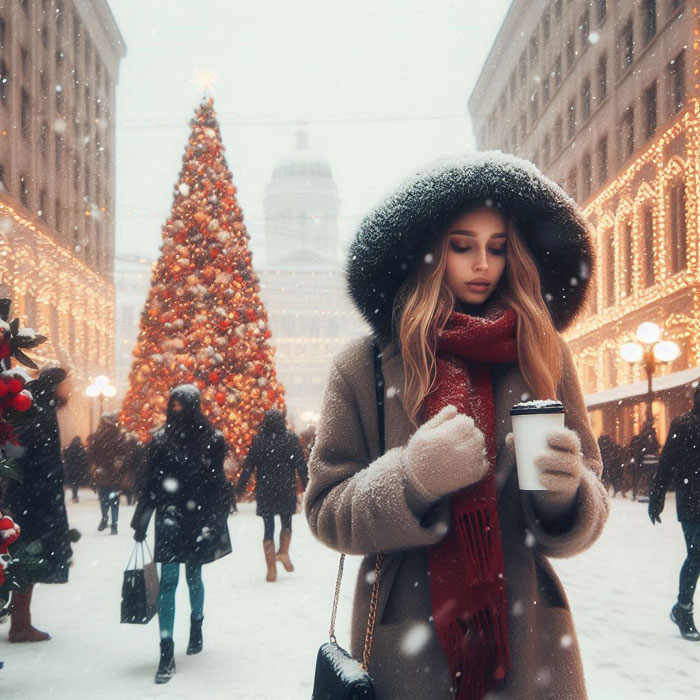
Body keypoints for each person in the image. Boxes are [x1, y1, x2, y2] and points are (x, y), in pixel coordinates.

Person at [304, 153, 610, 700]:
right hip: (409, 643)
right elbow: (326, 510)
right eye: (462, 245)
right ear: (428, 251)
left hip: (532, 640)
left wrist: (567, 494)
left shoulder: (544, 354)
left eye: (497, 248)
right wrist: (412, 478)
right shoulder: (365, 366)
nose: (482, 265)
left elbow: (590, 498)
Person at [131, 384, 232, 684]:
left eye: (181, 405)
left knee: (193, 577)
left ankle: (197, 624)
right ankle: (166, 651)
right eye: (173, 405)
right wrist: (141, 520)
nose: (176, 411)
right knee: (169, 581)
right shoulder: (160, 439)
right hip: (170, 516)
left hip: (197, 516)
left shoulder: (213, 440)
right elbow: (151, 481)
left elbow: (217, 484)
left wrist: (214, 521)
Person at [3, 367, 73, 643]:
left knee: (23, 558)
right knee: (26, 560)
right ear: (55, 386)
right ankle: (21, 625)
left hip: (28, 498)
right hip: (33, 501)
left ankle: (20, 621)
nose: (71, 391)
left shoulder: (37, 407)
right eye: (67, 386)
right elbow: (30, 458)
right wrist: (49, 489)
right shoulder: (39, 413)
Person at [649, 384, 700, 641]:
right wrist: (657, 497)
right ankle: (683, 610)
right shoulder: (685, 424)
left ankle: (682, 609)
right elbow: (667, 461)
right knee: (697, 555)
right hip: (693, 501)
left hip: (692, 497)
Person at [236, 409, 308, 582]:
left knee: (268, 527)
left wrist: (239, 488)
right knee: (286, 522)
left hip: (265, 489)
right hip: (286, 488)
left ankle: (271, 569)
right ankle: (283, 552)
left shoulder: (259, 441)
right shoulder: (290, 439)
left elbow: (248, 466)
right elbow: (300, 464)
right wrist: (307, 484)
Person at [87, 413, 127, 535]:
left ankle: (108, 521)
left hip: (106, 473)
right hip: (109, 473)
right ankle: (110, 522)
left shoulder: (100, 437)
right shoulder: (117, 436)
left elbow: (91, 455)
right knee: (110, 500)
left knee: (107, 499)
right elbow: (123, 455)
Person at [628, 419, 660, 501]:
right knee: (651, 478)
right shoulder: (652, 438)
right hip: (653, 461)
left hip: (644, 461)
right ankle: (650, 493)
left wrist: (638, 457)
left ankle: (638, 493)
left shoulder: (641, 438)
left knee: (638, 477)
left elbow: (637, 449)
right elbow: (656, 447)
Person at [62, 436, 90, 503]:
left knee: (72, 482)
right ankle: (75, 495)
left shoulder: (69, 448)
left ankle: (74, 494)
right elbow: (84, 459)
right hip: (78, 468)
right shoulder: (81, 449)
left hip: (70, 468)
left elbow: (65, 457)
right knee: (76, 482)